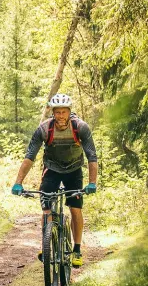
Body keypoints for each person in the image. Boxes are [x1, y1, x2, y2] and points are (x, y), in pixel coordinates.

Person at [10, 93, 99, 267]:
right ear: (53, 112)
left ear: (69, 111)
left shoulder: (80, 127)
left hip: (74, 170)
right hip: (51, 169)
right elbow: (30, 156)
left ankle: (77, 249)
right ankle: (47, 244)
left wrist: (92, 182)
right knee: (46, 208)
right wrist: (18, 182)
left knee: (75, 209)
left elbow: (92, 157)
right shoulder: (44, 129)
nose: (60, 116)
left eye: (63, 112)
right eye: (57, 112)